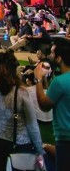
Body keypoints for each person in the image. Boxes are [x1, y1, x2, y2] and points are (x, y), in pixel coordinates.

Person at [0, 51, 44, 170]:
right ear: (13, 70)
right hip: (19, 142)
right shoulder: (22, 92)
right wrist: (39, 149)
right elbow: (32, 124)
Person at [34, 38, 70, 171]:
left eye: (53, 53)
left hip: (65, 138)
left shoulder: (60, 82)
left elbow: (44, 105)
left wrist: (38, 78)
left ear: (59, 59)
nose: (50, 56)